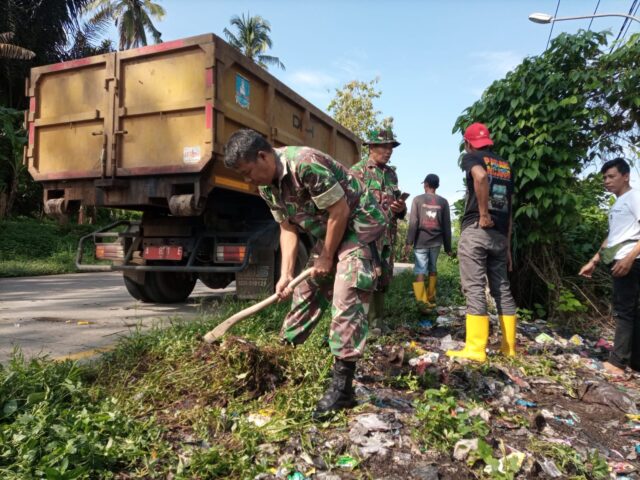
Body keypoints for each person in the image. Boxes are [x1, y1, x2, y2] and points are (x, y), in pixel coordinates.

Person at [223, 129, 387, 418]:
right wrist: (286, 274)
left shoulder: (305, 164)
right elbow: (287, 227)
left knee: (346, 292)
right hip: (332, 230)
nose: (249, 181)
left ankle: (343, 387)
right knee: (306, 290)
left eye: (249, 172)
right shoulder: (267, 187)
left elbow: (339, 211)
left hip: (360, 222)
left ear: (263, 156)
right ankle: (282, 356)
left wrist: (327, 256)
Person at [446, 122, 517, 362]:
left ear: (468, 143)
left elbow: (481, 176)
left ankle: (476, 349)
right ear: (489, 141)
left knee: (474, 287)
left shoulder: (471, 158)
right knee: (502, 288)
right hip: (499, 235)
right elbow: (510, 207)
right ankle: (509, 348)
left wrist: (484, 214)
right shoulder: (505, 166)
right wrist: (507, 244)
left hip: (477, 228)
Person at [579, 158, 640, 377]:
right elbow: (613, 238)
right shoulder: (618, 203)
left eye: (611, 176)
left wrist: (630, 258)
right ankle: (634, 361)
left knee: (624, 311)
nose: (606, 181)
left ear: (626, 176)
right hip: (620, 257)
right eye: (604, 177)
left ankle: (617, 363)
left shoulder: (634, 197)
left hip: (631, 261)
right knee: (632, 311)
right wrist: (594, 261)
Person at [351, 127, 406, 332]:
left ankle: (377, 323)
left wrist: (400, 208)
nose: (389, 150)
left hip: (387, 236)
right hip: (366, 237)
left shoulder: (392, 175)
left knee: (383, 279)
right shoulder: (358, 171)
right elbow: (349, 204)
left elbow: (397, 205)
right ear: (372, 147)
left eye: (391, 146)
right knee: (365, 278)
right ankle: (359, 325)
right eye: (384, 146)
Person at [405, 173, 452, 310]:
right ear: (437, 186)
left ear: (426, 184)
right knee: (433, 269)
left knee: (420, 270)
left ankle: (421, 302)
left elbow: (413, 222)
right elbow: (446, 226)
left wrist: (409, 242)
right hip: (436, 242)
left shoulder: (417, 200)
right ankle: (431, 298)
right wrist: (448, 247)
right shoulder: (443, 202)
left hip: (420, 242)